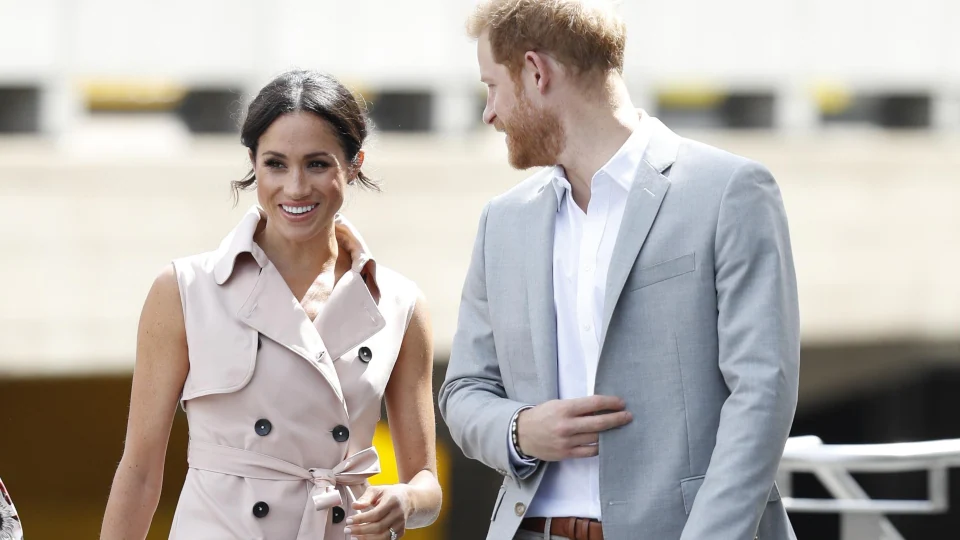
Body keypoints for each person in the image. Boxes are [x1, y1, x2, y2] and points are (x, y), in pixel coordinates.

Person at [438, 1, 800, 539]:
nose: (489, 113)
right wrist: (519, 430)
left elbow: (763, 392)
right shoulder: (503, 222)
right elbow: (464, 390)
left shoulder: (729, 193)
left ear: (537, 73)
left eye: (492, 87)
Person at [101, 70, 442, 540]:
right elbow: (139, 473)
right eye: (276, 164)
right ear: (253, 163)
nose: (296, 187)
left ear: (355, 162)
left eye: (318, 164)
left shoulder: (400, 303)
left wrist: (405, 499)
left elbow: (427, 484)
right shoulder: (184, 289)